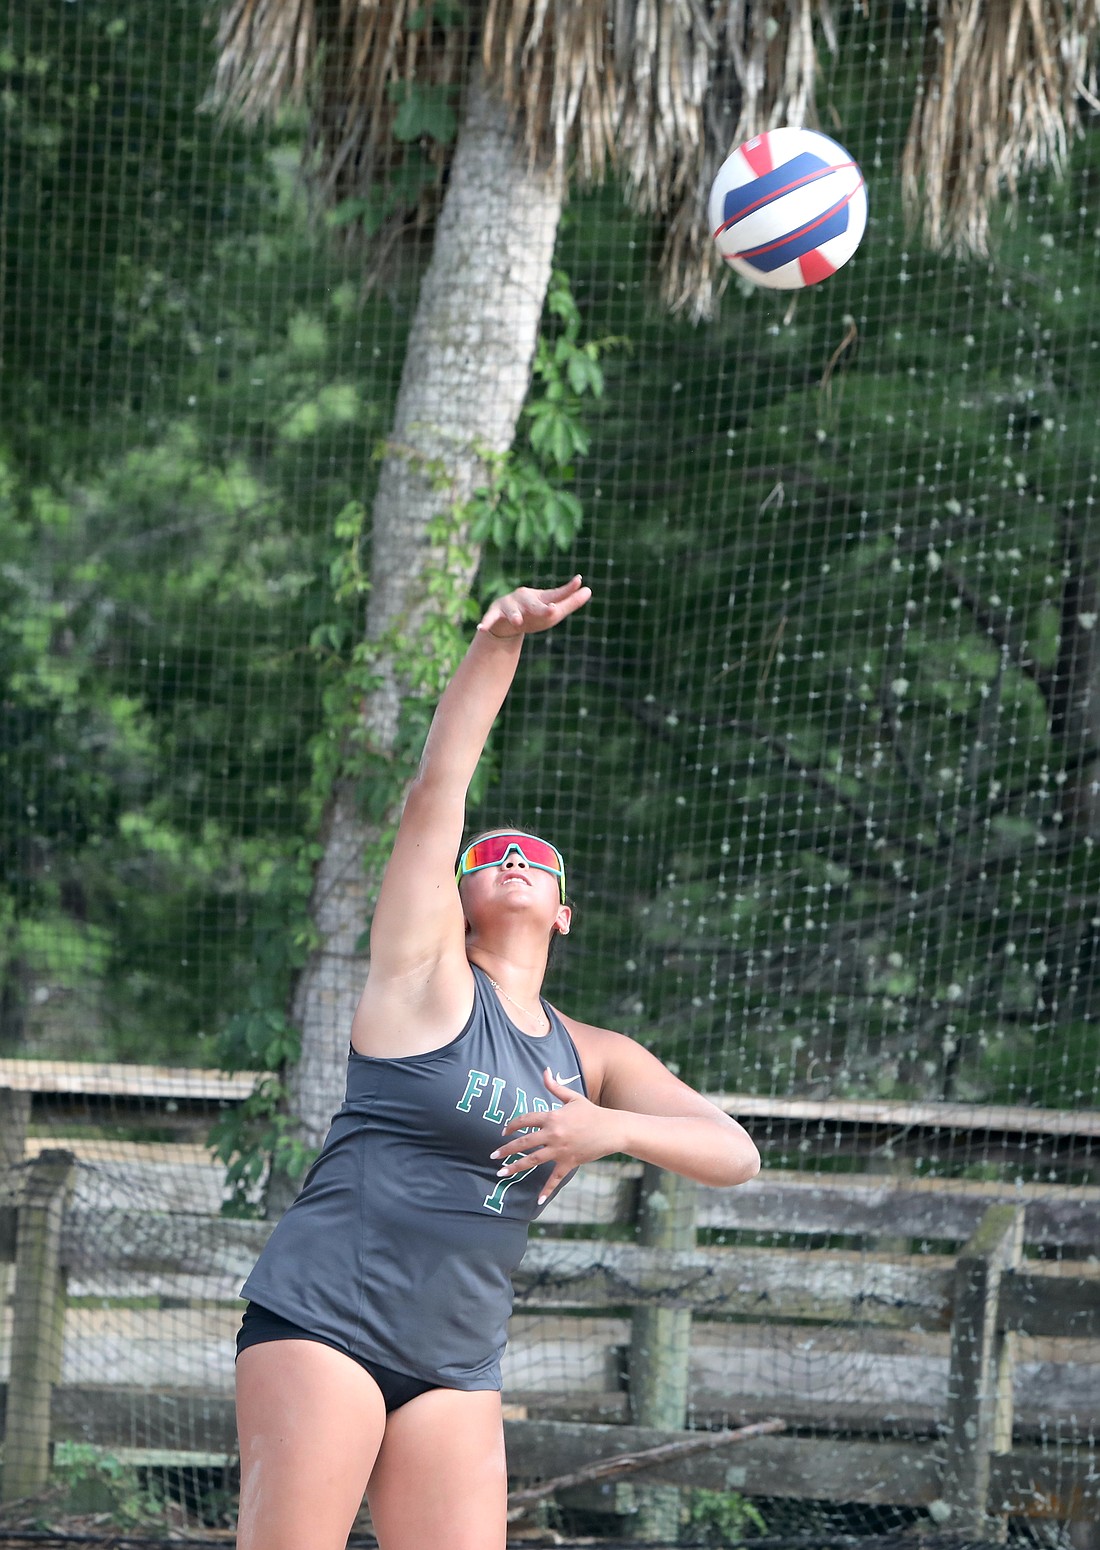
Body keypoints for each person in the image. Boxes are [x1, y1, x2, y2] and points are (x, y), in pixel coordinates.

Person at [233, 576, 760, 1550]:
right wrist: (500, 642)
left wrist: (611, 1127)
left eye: (534, 856)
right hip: (324, 1322)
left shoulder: (595, 1054)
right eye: (490, 854)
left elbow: (736, 1154)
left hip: (456, 1362)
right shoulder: (421, 978)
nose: (512, 856)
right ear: (458, 893)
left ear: (563, 911)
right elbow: (438, 791)